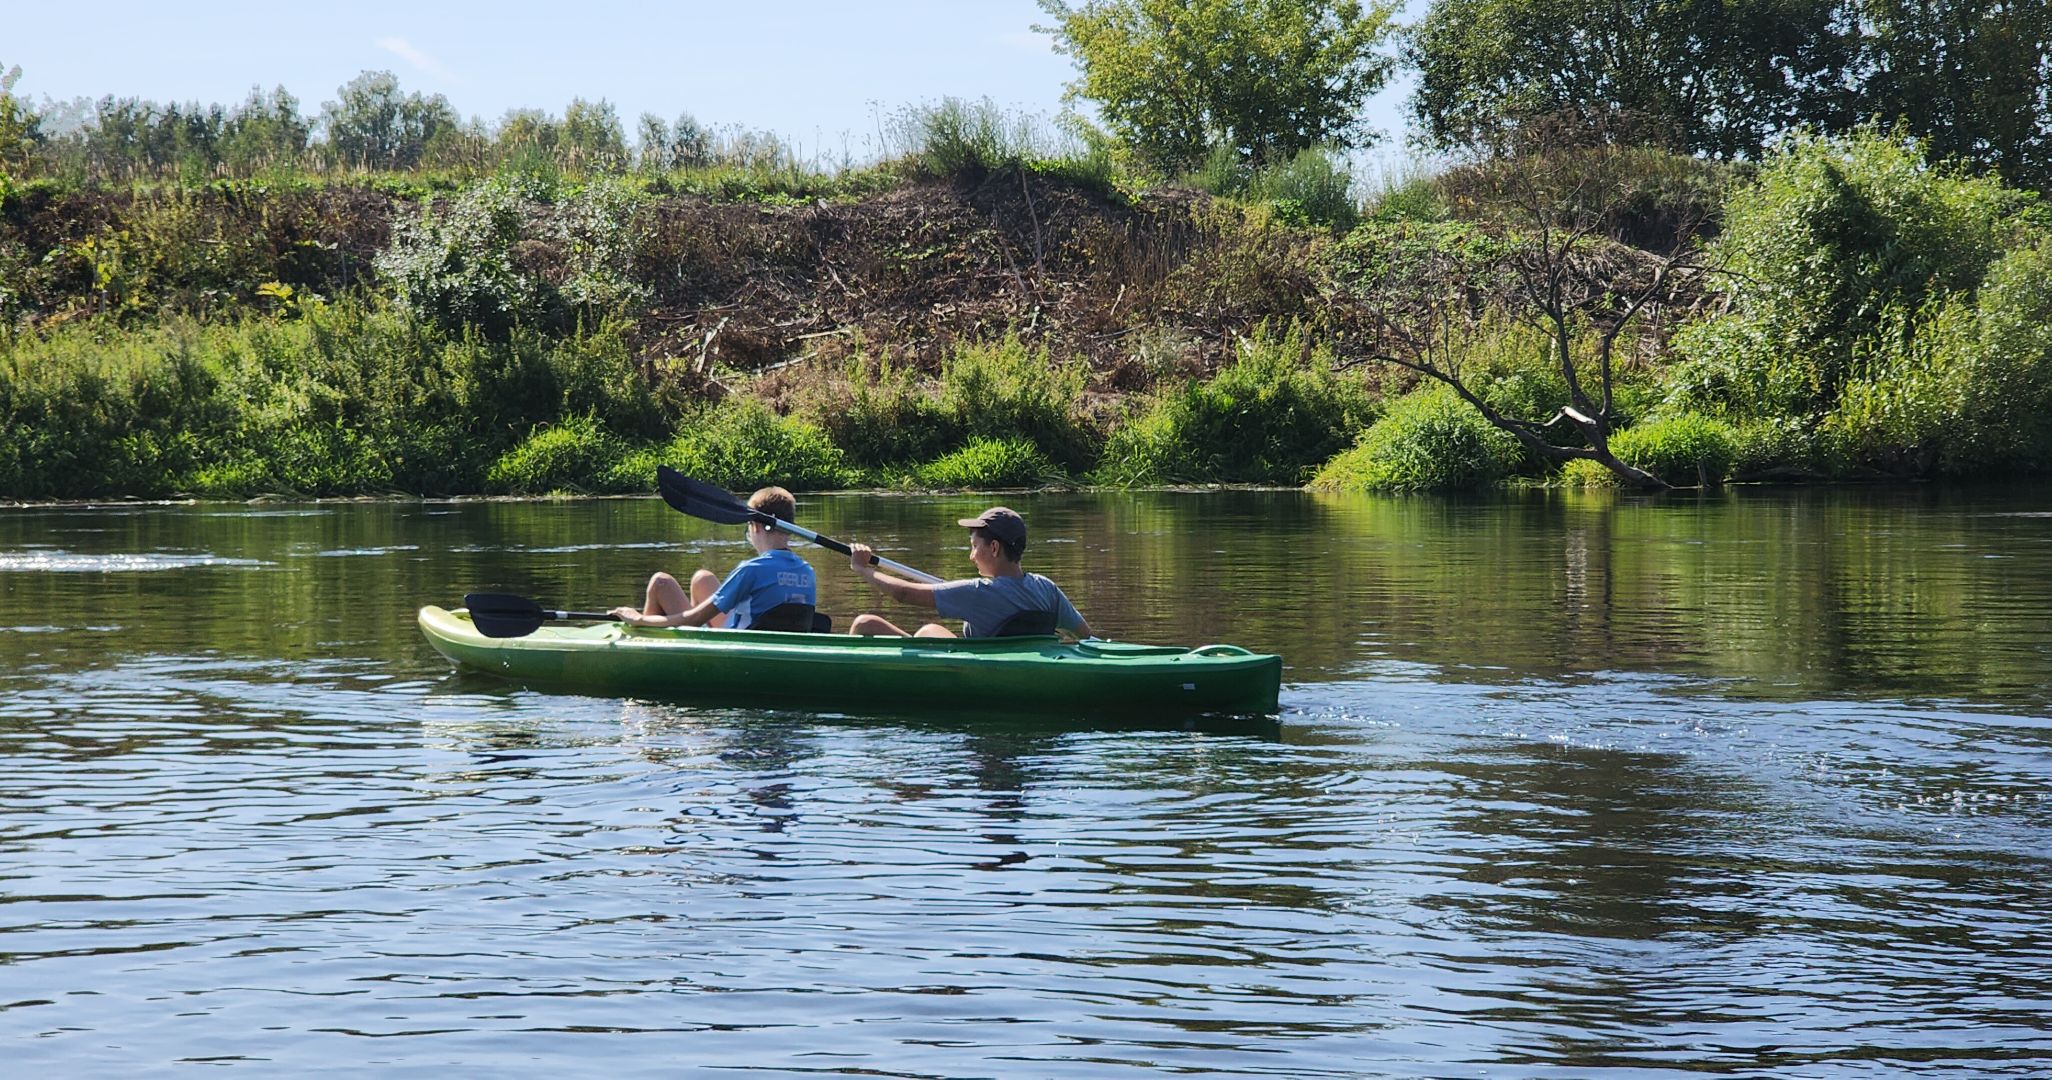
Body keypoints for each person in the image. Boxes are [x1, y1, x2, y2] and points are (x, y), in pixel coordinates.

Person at [845, 507, 1092, 640]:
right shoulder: (1046, 588)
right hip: (1022, 670)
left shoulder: (978, 592)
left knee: (866, 623)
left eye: (974, 547)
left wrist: (862, 568)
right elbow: (1085, 635)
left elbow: (903, 593)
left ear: (994, 548)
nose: (971, 556)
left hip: (984, 674)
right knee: (929, 631)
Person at [610, 486, 816, 630]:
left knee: (660, 583)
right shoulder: (807, 571)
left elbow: (694, 619)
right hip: (755, 631)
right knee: (703, 578)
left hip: (736, 645)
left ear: (755, 527)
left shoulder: (751, 569)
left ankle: (644, 643)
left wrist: (640, 619)